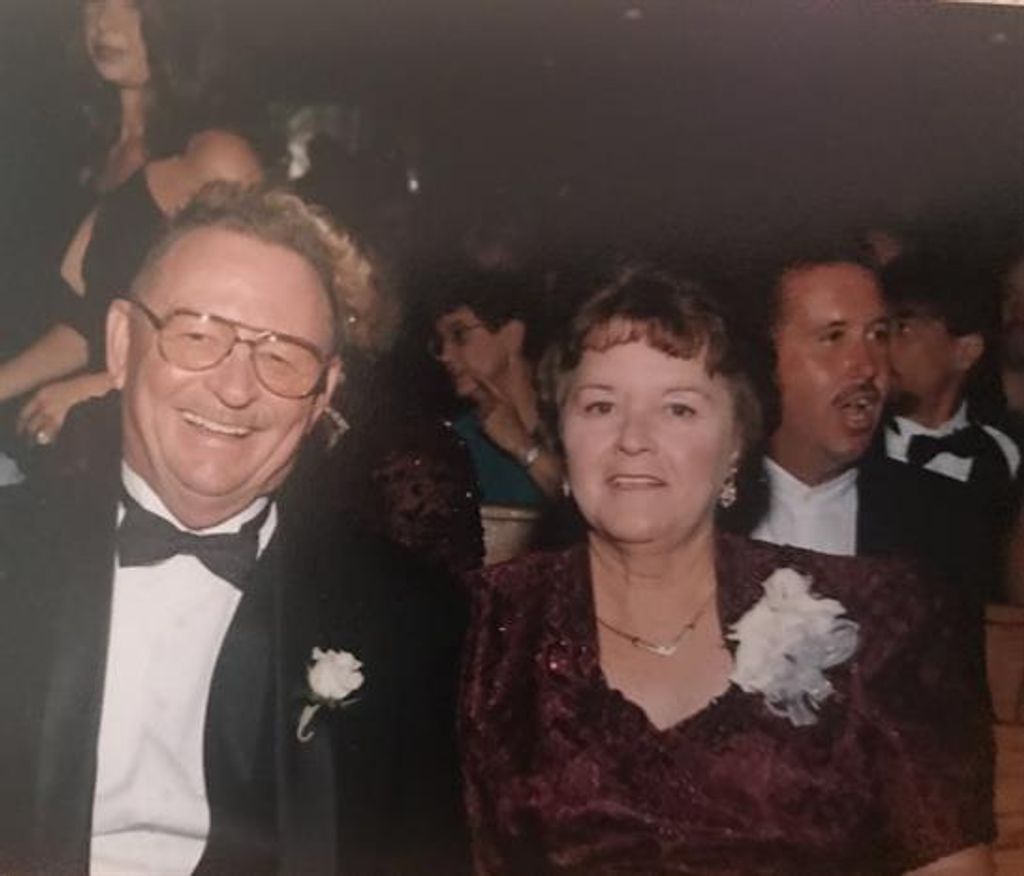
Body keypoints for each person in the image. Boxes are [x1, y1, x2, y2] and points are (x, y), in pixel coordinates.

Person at [461, 266, 995, 875]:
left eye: (678, 409)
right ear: (563, 432)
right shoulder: (487, 629)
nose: (633, 438)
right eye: (601, 405)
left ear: (737, 442)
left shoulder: (877, 621)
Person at [0, 184, 468, 875]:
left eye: (282, 357)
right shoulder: (12, 553)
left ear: (324, 395)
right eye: (197, 335)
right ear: (122, 344)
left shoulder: (405, 619)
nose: (236, 388)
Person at [1, 0, 261, 448]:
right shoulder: (86, 154)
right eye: (94, 4)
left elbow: (254, 321)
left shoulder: (216, 157)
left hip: (160, 443)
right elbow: (84, 326)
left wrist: (101, 384)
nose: (104, 22)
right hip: (61, 440)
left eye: (133, 5)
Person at [724, 250, 997, 607]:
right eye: (834, 337)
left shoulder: (947, 522)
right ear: (765, 358)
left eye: (878, 335)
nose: (867, 366)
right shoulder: (698, 510)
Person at [429, 267, 562, 508]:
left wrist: (524, 448)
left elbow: (600, 512)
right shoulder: (453, 444)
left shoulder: (571, 425)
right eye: (440, 343)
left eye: (459, 334)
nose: (445, 355)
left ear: (513, 334)